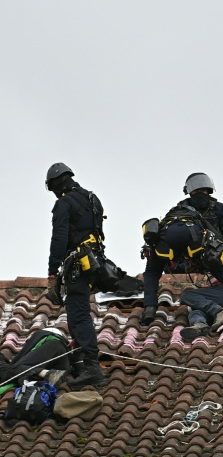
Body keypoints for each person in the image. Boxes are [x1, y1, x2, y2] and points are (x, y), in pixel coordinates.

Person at [140, 173, 223, 342]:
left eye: (204, 191)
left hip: (211, 256)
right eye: (198, 191)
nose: (201, 194)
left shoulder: (216, 209)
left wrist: (219, 249)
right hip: (197, 254)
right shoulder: (181, 212)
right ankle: (200, 324)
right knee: (195, 307)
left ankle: (151, 309)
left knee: (189, 294)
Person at [45, 163, 106, 388]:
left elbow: (59, 238)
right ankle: (82, 362)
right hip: (94, 262)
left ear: (55, 184)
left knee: (78, 314)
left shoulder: (63, 203)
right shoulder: (92, 198)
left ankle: (91, 367)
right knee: (80, 312)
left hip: (79, 264)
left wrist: (53, 272)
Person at [0, 328, 72, 392]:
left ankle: (44, 373)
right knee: (12, 369)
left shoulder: (51, 341)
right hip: (61, 358)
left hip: (54, 345)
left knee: (14, 369)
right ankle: (44, 373)